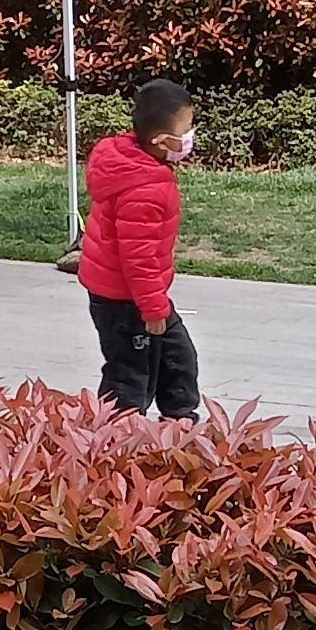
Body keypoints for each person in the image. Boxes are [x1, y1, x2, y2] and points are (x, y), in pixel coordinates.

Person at [78, 79, 201, 422]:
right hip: (127, 300)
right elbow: (138, 258)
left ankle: (179, 420)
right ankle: (117, 435)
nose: (190, 137)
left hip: (141, 295)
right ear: (161, 141)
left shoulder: (138, 164)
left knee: (177, 357)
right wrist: (153, 309)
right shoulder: (141, 189)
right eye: (187, 130)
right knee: (129, 373)